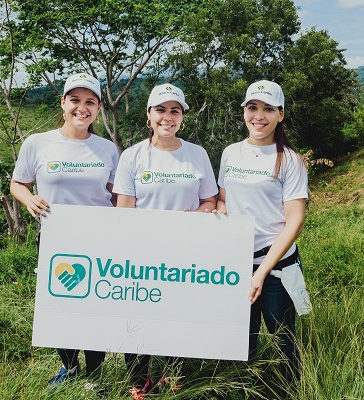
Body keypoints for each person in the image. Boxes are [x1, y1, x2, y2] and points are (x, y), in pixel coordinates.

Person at [10, 73, 119, 386]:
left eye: (89, 102)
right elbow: (18, 183)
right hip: (56, 238)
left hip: (101, 240)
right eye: (75, 100)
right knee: (60, 306)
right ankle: (69, 368)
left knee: (96, 307)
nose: (81, 108)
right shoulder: (39, 143)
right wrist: (29, 199)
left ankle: (96, 374)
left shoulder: (107, 149)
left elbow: (117, 195)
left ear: (98, 108)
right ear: (63, 104)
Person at [112, 83, 218, 398]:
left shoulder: (196, 155)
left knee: (176, 316)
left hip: (184, 254)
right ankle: (138, 381)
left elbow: (210, 201)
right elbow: (124, 210)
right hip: (141, 253)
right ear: (149, 115)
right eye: (161, 110)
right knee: (139, 318)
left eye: (175, 110)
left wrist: (197, 217)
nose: (167, 117)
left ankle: (172, 377)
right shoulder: (132, 156)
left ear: (182, 116)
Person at [215, 80, 310, 395]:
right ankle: (244, 390)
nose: (259, 116)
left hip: (276, 267)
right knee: (243, 340)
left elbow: (294, 219)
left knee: (283, 339)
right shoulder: (231, 153)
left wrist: (261, 271)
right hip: (235, 262)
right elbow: (224, 201)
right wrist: (212, 212)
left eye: (268, 109)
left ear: (280, 114)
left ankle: (288, 392)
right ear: (244, 110)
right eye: (252, 107)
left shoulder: (289, 160)